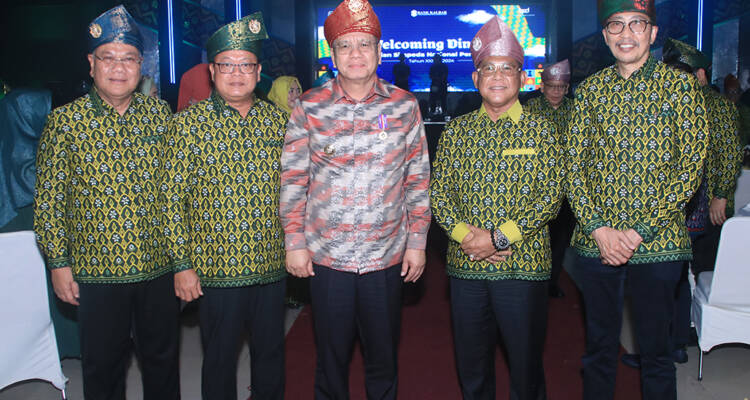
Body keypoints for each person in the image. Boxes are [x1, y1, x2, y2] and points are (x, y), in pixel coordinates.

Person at [279, 0, 431, 398]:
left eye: (365, 44)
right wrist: (294, 243)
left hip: (386, 255)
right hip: (328, 257)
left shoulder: (404, 106)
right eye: (345, 46)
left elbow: (417, 179)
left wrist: (417, 242)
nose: (356, 54)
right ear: (333, 54)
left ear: (379, 51)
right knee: (331, 360)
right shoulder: (309, 107)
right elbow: (293, 181)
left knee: (383, 358)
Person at [33, 6, 180, 399]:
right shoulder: (66, 122)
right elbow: (49, 201)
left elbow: (175, 189)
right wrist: (58, 263)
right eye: (108, 58)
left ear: (141, 65)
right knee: (102, 367)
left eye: (128, 58)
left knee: (163, 362)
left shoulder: (160, 115)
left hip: (158, 266)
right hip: (97, 270)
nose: (119, 68)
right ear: (91, 63)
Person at [567, 1, 708, 399]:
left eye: (636, 24)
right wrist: (598, 228)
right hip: (597, 244)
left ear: (652, 33)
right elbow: (573, 167)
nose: (626, 34)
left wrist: (638, 231)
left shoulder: (681, 88)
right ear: (605, 35)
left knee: (657, 353)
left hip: (659, 244)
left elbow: (690, 168)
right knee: (598, 349)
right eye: (616, 25)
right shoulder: (590, 91)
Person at [430, 16, 563, 400]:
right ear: (476, 79)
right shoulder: (457, 131)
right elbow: (439, 195)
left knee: (525, 368)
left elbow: (550, 197)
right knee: (472, 368)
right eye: (489, 68)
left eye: (508, 68)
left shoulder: (542, 130)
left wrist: (499, 238)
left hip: (524, 268)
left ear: (523, 79)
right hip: (465, 266)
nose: (498, 77)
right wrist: (469, 240)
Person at [161, 12, 287, 400]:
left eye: (245, 64)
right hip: (215, 271)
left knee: (271, 355)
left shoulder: (280, 122)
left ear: (259, 70)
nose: (237, 73)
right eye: (227, 65)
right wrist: (182, 266)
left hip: (271, 265)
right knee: (219, 359)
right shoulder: (187, 125)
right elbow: (171, 200)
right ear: (212, 71)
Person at [663, 37, 742, 360]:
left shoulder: (716, 105)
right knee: (676, 274)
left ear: (698, 75)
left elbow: (729, 154)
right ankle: (679, 338)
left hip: (703, 203)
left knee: (684, 271)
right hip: (676, 205)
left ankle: (683, 338)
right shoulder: (666, 102)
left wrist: (721, 196)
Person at [524, 59, 575, 298]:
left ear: (566, 88)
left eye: (560, 87)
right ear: (542, 86)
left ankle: (551, 282)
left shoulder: (576, 111)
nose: (556, 91)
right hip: (534, 188)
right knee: (533, 235)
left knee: (559, 239)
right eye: (551, 86)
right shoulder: (529, 110)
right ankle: (531, 280)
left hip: (566, 190)